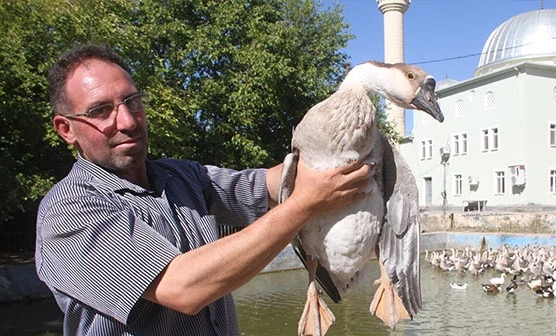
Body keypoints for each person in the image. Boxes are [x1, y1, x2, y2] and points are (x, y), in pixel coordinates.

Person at [35, 43, 371, 335]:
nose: (126, 120)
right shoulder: (69, 210)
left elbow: (266, 185)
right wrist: (305, 204)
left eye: (132, 101)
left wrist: (342, 148)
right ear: (66, 129)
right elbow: (183, 288)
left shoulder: (180, 176)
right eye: (100, 111)